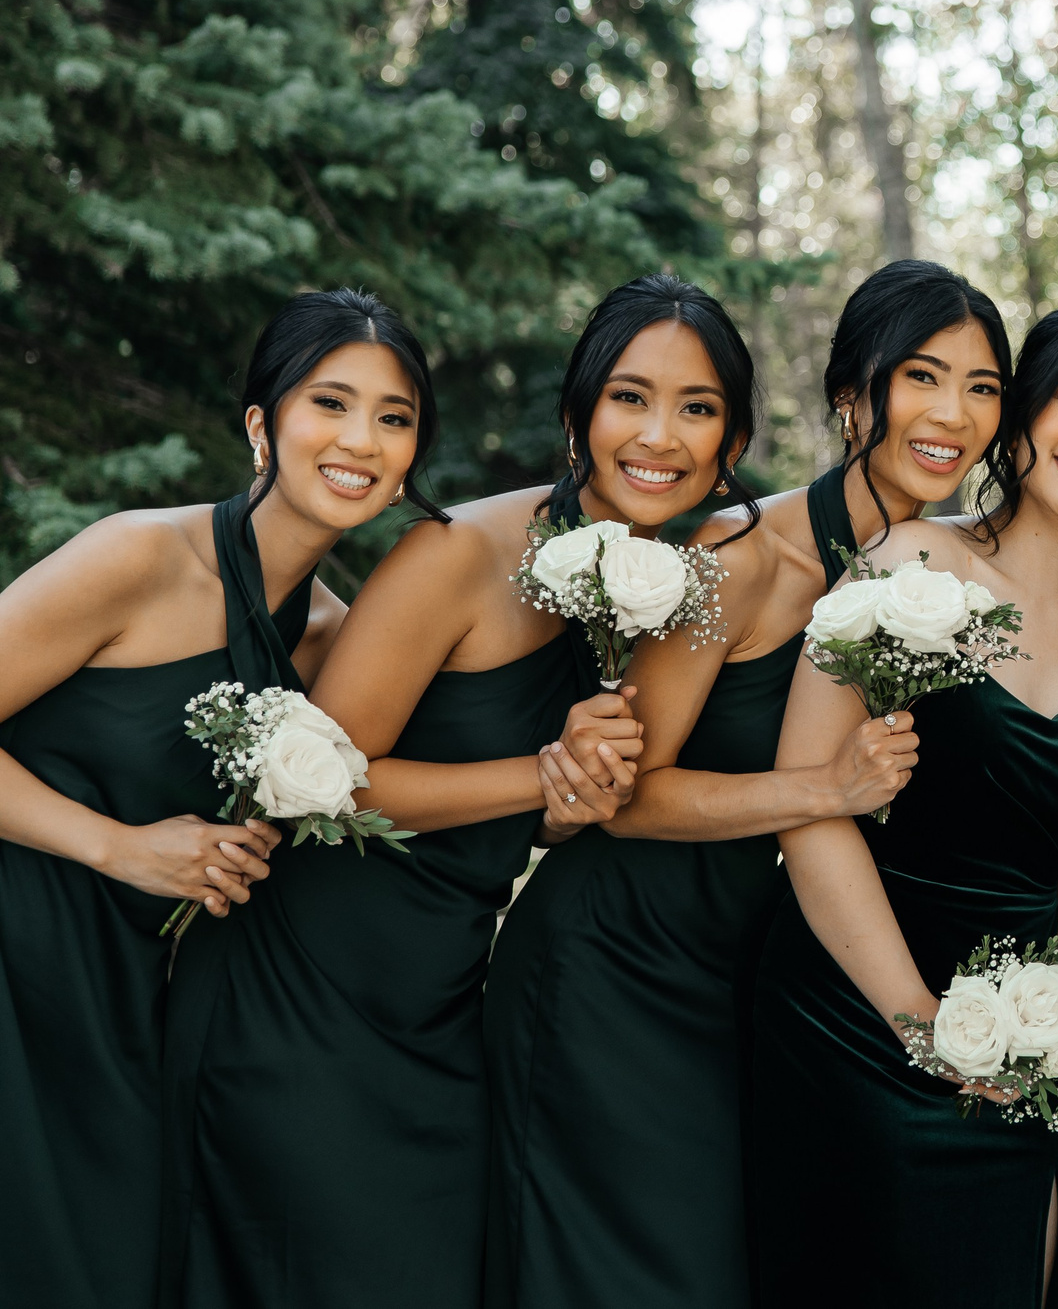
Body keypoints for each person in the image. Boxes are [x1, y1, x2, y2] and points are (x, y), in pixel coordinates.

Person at [157, 274, 745, 1309]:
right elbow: (323, 779)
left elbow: (561, 817)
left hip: (443, 1003)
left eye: (697, 408)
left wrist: (565, 807)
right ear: (576, 418)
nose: (661, 434)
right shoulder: (463, 553)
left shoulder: (672, 589)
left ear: (729, 441)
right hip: (302, 993)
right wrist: (541, 774)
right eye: (629, 398)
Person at [479, 262, 993, 1309]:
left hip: (750, 978)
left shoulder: (942, 582)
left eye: (983, 388)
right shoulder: (743, 557)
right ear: (852, 397)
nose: (952, 413)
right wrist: (819, 789)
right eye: (921, 378)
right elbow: (626, 795)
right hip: (614, 971)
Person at [0, 290, 433, 1309]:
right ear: (260, 425)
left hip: (124, 1008)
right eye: (330, 403)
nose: (360, 440)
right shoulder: (140, 559)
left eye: (395, 417)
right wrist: (119, 848)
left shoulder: (336, 643)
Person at [751, 299, 1058, 1308]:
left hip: (1013, 1035)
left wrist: (1056, 1017)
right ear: (1022, 416)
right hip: (850, 1011)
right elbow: (811, 807)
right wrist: (918, 1021)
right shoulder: (912, 566)